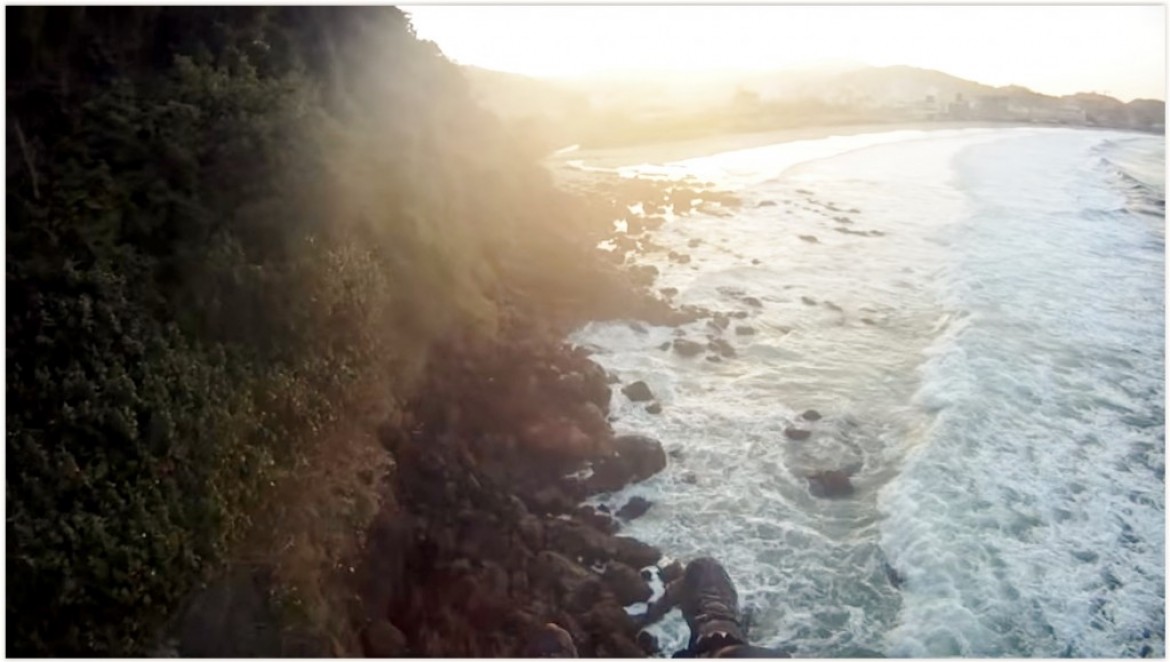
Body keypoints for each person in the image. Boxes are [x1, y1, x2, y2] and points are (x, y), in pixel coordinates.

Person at [636, 557, 790, 658]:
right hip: (729, 630)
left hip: (708, 634)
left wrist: (641, 622)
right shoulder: (723, 583)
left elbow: (663, 603)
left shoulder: (681, 586)